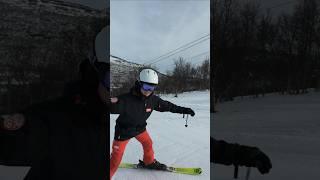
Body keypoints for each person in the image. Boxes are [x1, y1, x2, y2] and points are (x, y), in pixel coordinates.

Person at [0, 26, 109, 180]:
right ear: (94, 74)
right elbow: (22, 139)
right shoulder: (56, 122)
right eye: (111, 79)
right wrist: (12, 131)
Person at [109, 68, 195, 179]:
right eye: (146, 87)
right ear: (139, 83)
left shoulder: (153, 100)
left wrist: (184, 110)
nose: (148, 90)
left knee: (148, 143)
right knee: (115, 161)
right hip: (123, 132)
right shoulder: (125, 100)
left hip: (140, 129)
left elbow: (169, 106)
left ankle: (149, 162)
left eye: (152, 87)